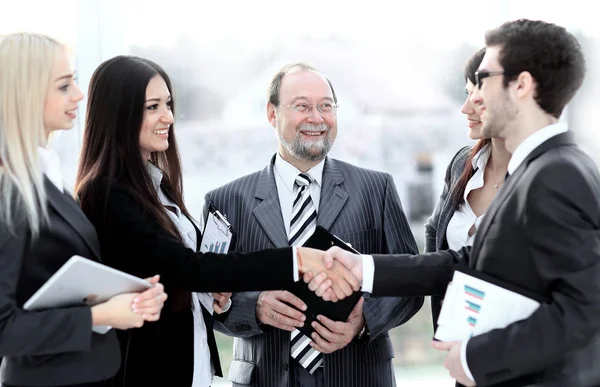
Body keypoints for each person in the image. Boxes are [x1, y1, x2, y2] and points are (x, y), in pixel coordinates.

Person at [314, 19, 600, 387]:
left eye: (484, 80)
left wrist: (477, 358)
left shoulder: (558, 173)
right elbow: (470, 262)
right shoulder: (535, 168)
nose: (475, 98)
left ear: (522, 86)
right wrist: (363, 269)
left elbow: (587, 309)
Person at [74, 56, 356, 387]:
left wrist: (211, 296)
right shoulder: (107, 192)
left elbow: (178, 275)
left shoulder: (157, 187)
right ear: (119, 113)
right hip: (145, 371)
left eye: (168, 104)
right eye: (152, 107)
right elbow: (189, 268)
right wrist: (296, 259)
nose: (168, 117)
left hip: (190, 371)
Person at [204, 62, 423, 387]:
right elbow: (205, 299)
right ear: (271, 113)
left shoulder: (377, 189)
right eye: (302, 106)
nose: (317, 118)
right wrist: (256, 307)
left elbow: (410, 283)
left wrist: (363, 320)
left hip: (359, 376)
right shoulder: (226, 201)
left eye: (326, 106)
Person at [0, 33, 168, 387]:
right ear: (25, 95)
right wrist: (101, 314)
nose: (78, 95)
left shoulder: (44, 176)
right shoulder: (9, 191)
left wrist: (124, 295)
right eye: (64, 86)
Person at [425, 47, 511, 328]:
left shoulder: (539, 175)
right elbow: (434, 229)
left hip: (518, 345)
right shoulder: (463, 162)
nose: (466, 108)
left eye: (479, 97)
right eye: (467, 94)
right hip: (459, 338)